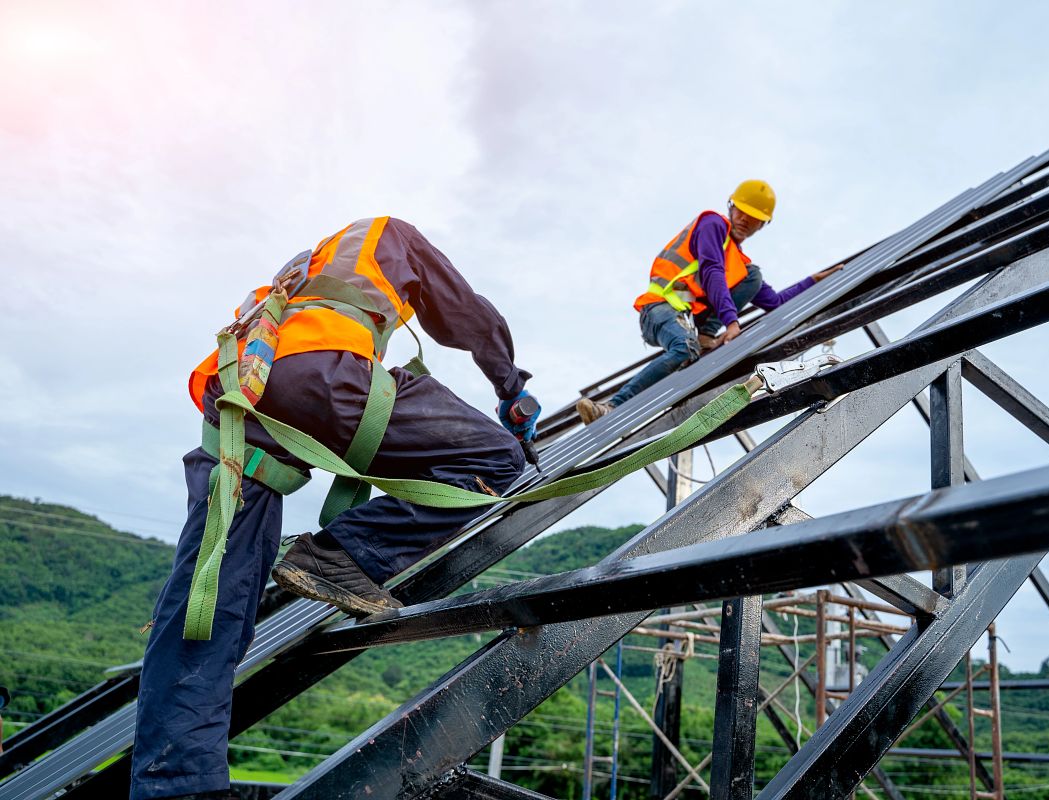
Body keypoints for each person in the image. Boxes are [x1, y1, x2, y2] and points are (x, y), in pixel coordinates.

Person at [131, 216, 538, 800]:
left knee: (208, 600)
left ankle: (176, 784)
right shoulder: (385, 235)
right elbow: (467, 315)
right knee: (496, 459)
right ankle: (340, 555)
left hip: (237, 407)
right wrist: (509, 387)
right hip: (323, 378)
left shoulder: (299, 272)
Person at [576, 180, 842, 423]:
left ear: (762, 225)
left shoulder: (739, 263)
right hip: (657, 309)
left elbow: (774, 301)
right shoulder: (712, 225)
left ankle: (704, 335)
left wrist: (812, 281)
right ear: (731, 206)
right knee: (684, 348)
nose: (744, 220)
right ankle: (610, 407)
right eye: (741, 212)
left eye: (754, 219)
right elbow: (712, 270)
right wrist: (731, 322)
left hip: (685, 316)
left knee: (753, 276)